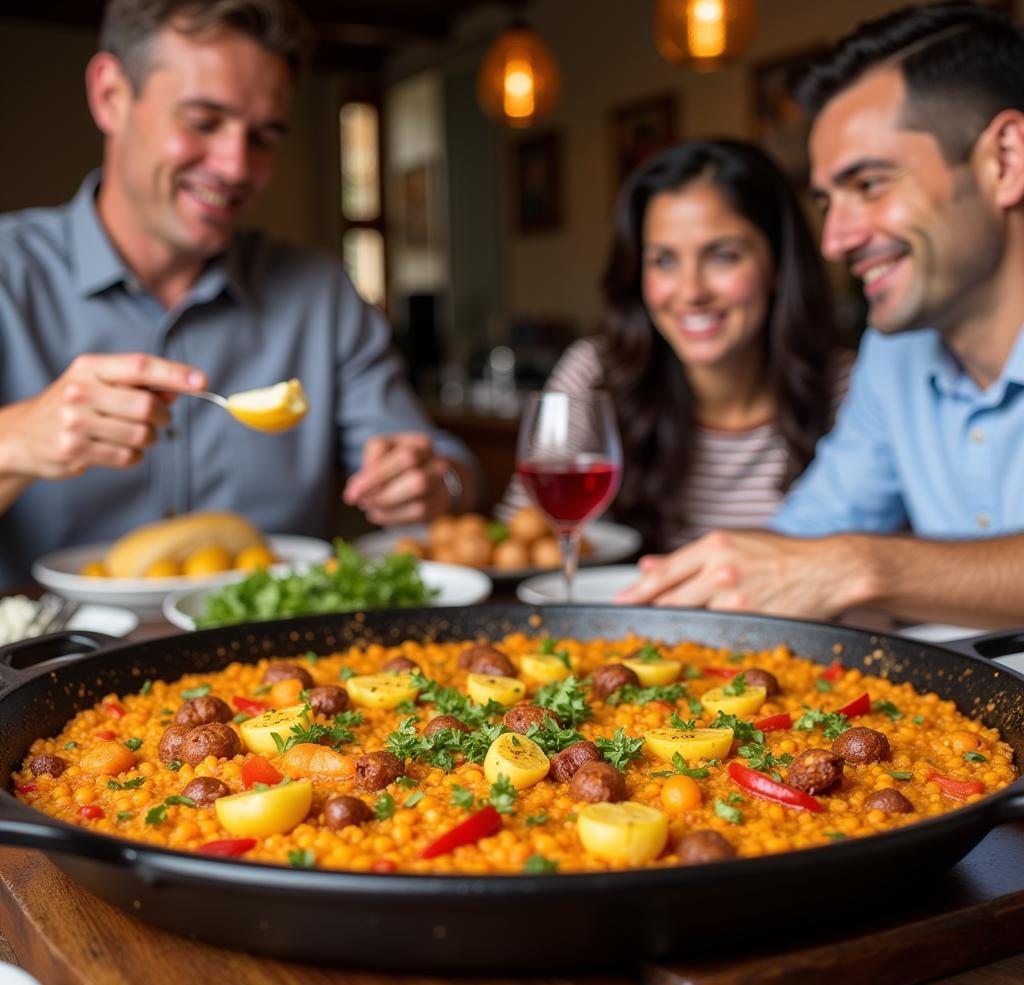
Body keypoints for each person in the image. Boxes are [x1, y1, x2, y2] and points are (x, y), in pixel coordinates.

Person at [0, 0, 477, 587]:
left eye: (264, 137)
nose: (234, 166)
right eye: (203, 121)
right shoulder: (8, 275)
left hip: (272, 667)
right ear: (111, 96)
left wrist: (435, 481)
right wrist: (17, 440)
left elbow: (441, 461)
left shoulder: (319, 296)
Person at [619, 2, 1024, 629]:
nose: (835, 241)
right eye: (827, 200)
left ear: (1006, 159)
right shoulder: (896, 352)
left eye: (869, 184)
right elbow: (808, 538)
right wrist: (700, 587)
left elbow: (835, 559)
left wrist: (858, 567)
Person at [500, 138, 848, 552]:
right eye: (664, 260)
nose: (690, 292)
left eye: (723, 255)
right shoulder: (594, 371)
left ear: (777, 265)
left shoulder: (850, 388)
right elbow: (522, 542)